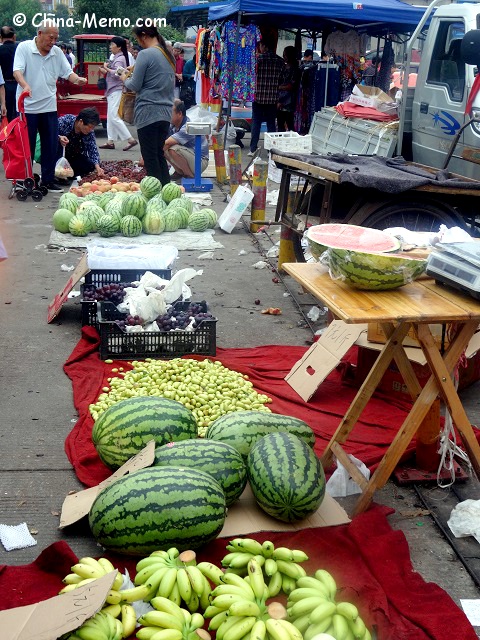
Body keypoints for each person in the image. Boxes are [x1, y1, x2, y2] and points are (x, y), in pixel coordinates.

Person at [13, 21, 87, 192]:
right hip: (27, 108)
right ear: (40, 33)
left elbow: (68, 73)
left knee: (50, 145)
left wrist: (78, 80)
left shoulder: (56, 53)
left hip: (49, 107)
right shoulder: (24, 48)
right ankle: (25, 180)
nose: (53, 42)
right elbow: (17, 71)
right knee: (27, 147)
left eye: (56, 38)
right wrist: (25, 85)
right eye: (50, 37)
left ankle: (47, 180)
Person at [118, 20, 175, 185]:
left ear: (143, 35)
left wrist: (124, 78)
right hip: (165, 113)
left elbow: (134, 85)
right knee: (158, 154)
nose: (137, 42)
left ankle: (155, 194)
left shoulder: (145, 54)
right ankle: (166, 191)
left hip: (148, 112)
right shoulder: (167, 54)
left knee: (150, 157)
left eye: (137, 38)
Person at [98, 36, 138, 151]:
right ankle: (110, 141)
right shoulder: (118, 57)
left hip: (116, 89)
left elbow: (119, 73)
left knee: (114, 116)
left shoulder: (120, 58)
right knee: (111, 116)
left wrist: (106, 68)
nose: (110, 47)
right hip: (113, 89)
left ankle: (130, 139)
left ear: (119, 47)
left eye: (112, 45)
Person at [248, 37, 285, 156]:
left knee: (256, 123)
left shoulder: (258, 59)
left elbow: (252, 77)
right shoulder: (280, 61)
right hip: (272, 99)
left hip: (258, 97)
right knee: (271, 125)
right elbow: (282, 80)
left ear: (263, 46)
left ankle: (252, 149)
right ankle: (271, 151)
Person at [164, 100, 208, 180]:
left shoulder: (187, 128)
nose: (167, 115)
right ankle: (179, 172)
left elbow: (166, 143)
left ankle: (190, 176)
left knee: (173, 149)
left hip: (200, 162)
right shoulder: (172, 125)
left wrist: (148, 157)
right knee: (164, 149)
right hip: (190, 156)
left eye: (170, 113)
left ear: (180, 114)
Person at [57, 107, 104, 178]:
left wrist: (97, 166)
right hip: (57, 154)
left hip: (73, 156)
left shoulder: (90, 132)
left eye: (93, 128)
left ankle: (69, 174)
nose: (91, 130)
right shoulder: (65, 121)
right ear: (81, 121)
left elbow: (93, 150)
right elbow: (49, 132)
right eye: (90, 127)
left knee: (90, 166)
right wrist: (59, 137)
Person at [277, 45, 299, 132]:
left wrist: (279, 87)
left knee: (289, 124)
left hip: (288, 101)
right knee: (280, 124)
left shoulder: (294, 69)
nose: (283, 56)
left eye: (285, 54)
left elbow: (291, 86)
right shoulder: (284, 67)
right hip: (281, 99)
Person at [0, 26, 18, 122]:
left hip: (3, 86)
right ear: (14, 37)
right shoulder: (19, 49)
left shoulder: (0, 50)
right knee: (18, 114)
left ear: (1, 37)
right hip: (20, 85)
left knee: (5, 115)